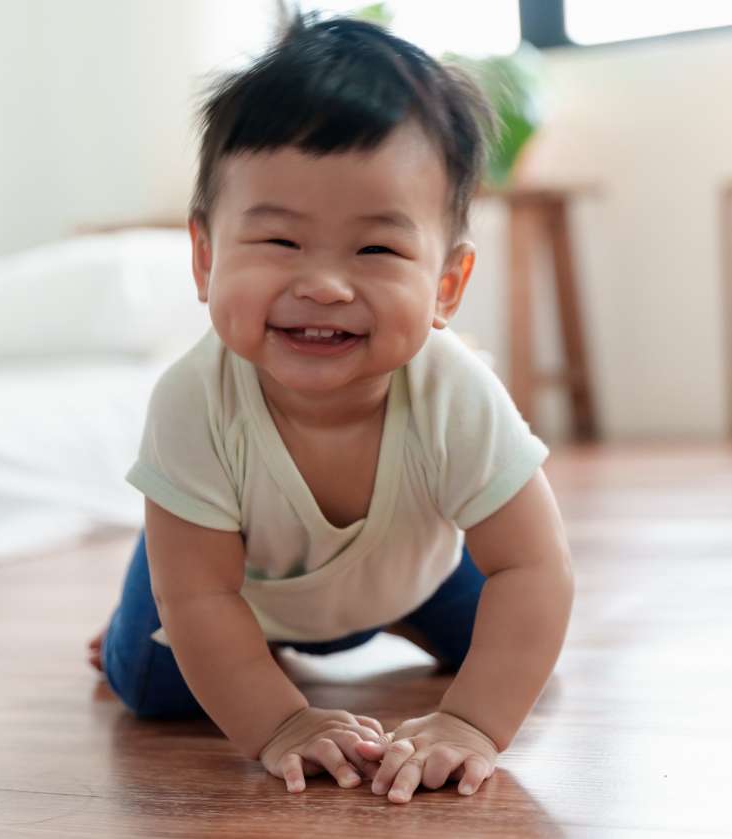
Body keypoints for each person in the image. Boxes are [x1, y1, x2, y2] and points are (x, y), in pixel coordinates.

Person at [88, 11, 574, 804]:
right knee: (157, 687)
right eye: (279, 242)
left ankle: (382, 618)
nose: (322, 285)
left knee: (513, 644)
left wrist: (472, 725)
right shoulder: (192, 400)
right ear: (205, 257)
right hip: (230, 588)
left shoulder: (453, 392)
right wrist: (282, 722)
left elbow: (535, 566)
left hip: (413, 573)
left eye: (376, 249)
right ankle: (124, 633)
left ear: (446, 284)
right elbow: (203, 598)